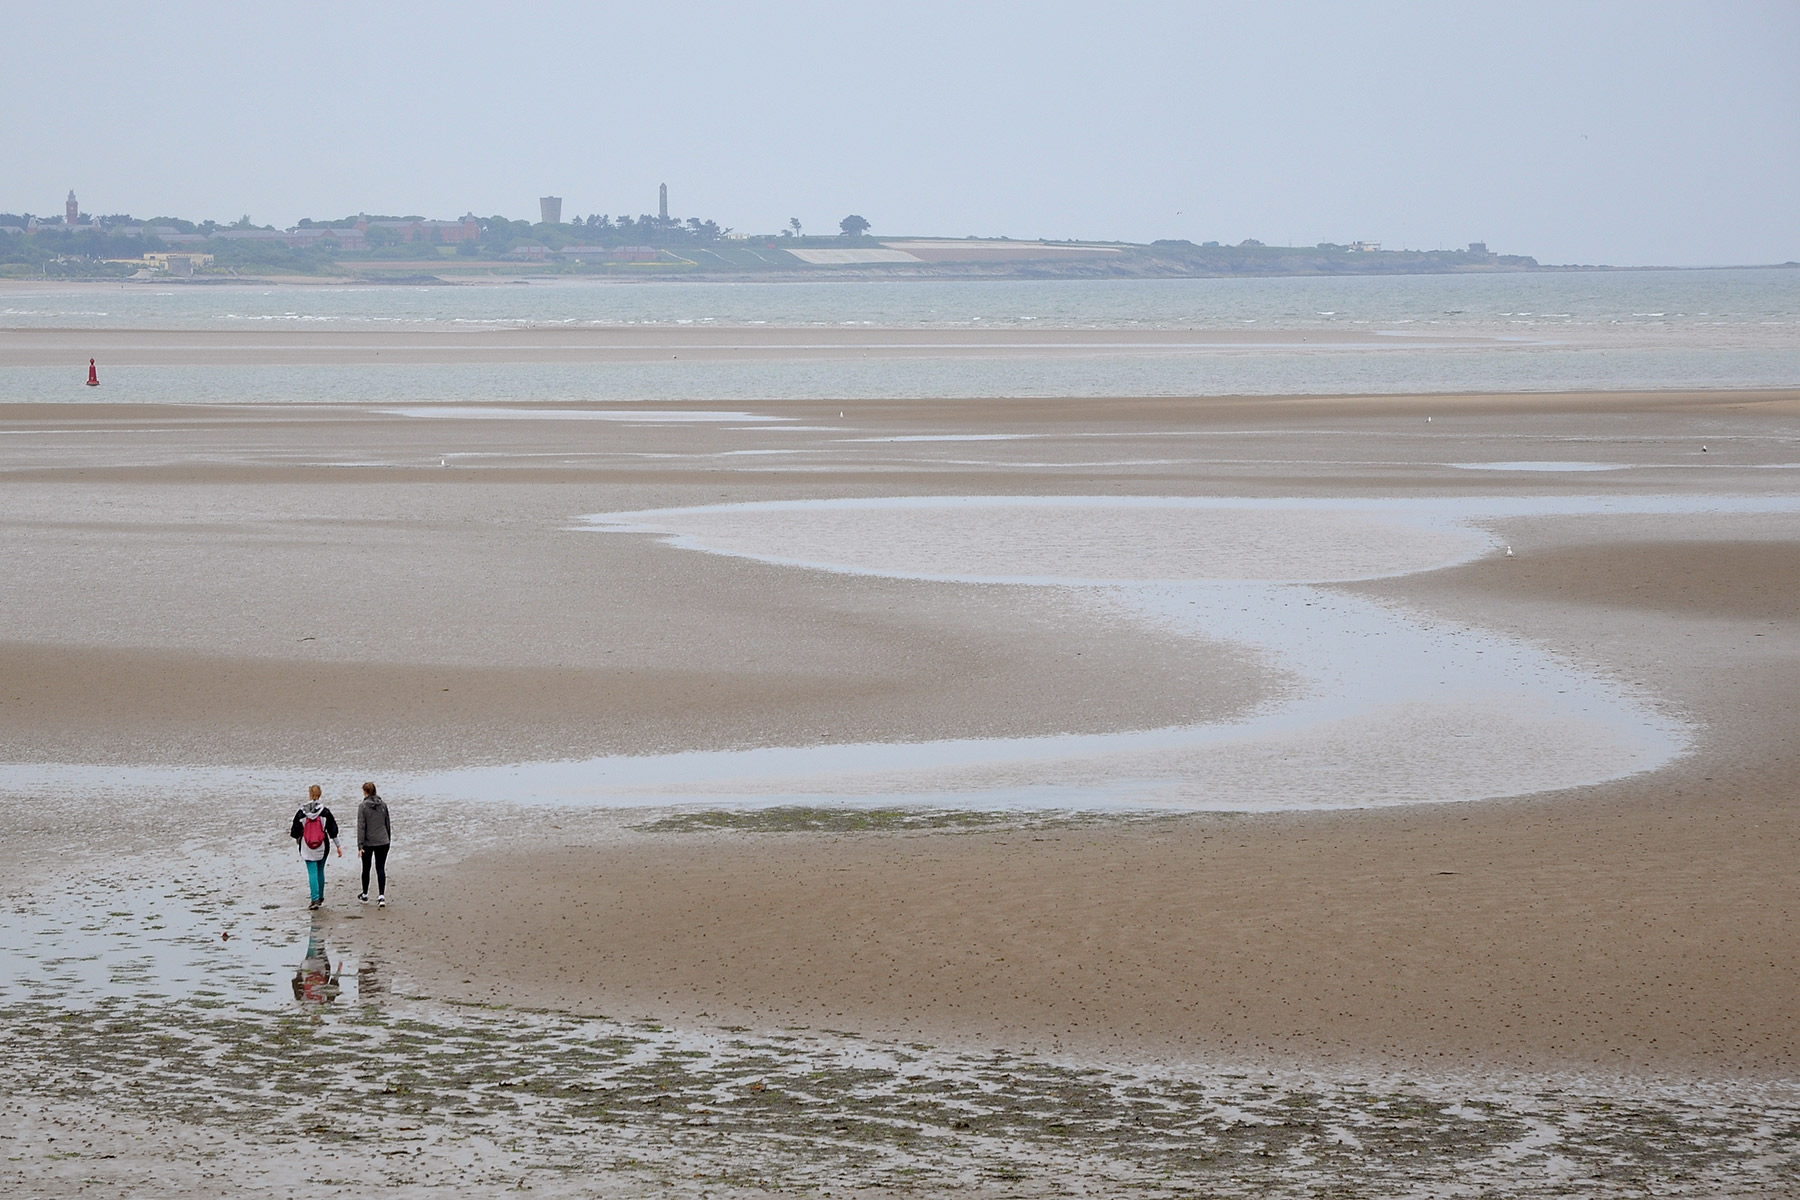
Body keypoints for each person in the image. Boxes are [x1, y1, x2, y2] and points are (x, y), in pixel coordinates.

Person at [289, 784, 342, 909]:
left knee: (312, 872)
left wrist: (298, 838)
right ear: (320, 794)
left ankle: (314, 899)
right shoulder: (325, 812)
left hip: (307, 846)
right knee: (320, 871)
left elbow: (294, 831)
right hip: (323, 846)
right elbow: (333, 830)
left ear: (309, 794)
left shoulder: (302, 812)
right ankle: (320, 897)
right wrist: (338, 846)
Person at [356, 781, 392, 907]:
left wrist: (360, 845)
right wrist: (388, 839)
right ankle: (381, 895)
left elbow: (361, 827)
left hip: (368, 842)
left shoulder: (363, 806)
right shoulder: (383, 805)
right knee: (380, 868)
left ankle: (365, 893)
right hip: (383, 841)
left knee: (366, 868)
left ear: (365, 792)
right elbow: (387, 823)